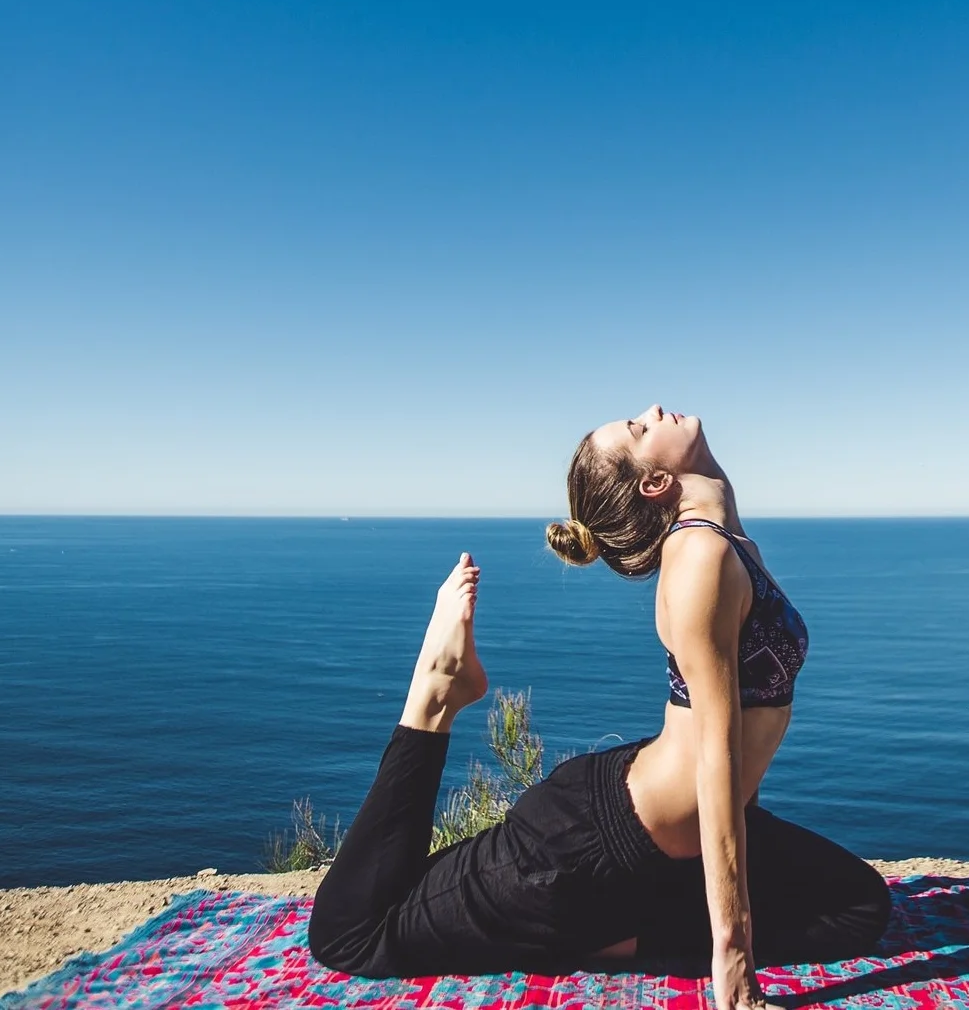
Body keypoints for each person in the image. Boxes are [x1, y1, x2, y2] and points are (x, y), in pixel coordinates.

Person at [309, 405, 890, 1009]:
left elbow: (736, 751)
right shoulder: (700, 560)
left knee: (859, 908)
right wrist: (734, 968)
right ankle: (434, 694)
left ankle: (606, 930)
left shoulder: (728, 543)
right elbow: (716, 762)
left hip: (665, 832)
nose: (652, 412)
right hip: (585, 847)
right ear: (656, 484)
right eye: (639, 429)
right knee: (354, 935)